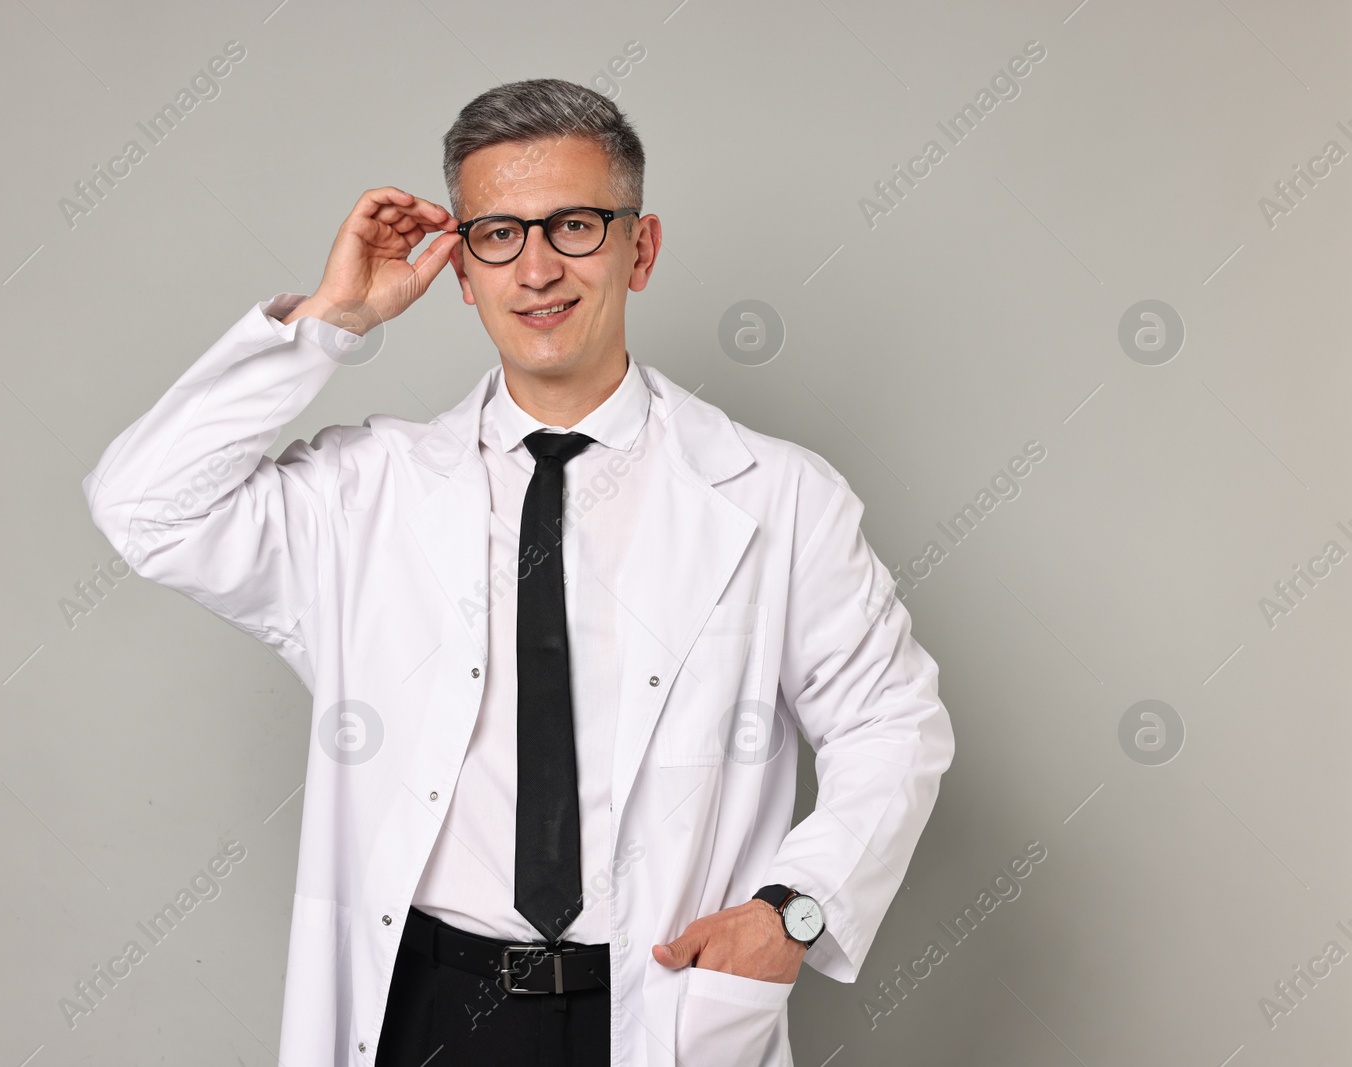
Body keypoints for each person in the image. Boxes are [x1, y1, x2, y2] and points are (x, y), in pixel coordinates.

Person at [83, 77, 953, 1067]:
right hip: (426, 1006)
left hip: (657, 1000)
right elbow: (142, 503)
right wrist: (331, 321)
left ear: (642, 246)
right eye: (497, 233)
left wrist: (793, 910)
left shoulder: (779, 495)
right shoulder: (366, 492)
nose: (536, 268)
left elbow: (892, 724)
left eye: (574, 226)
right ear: (460, 268)